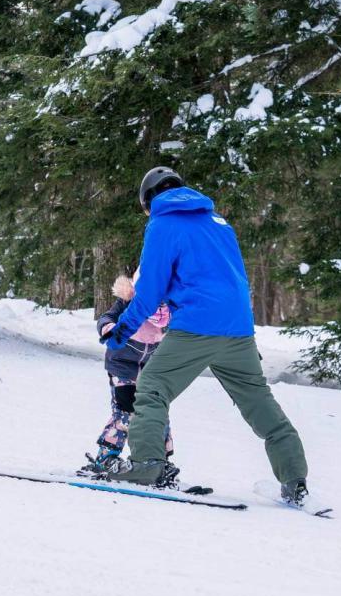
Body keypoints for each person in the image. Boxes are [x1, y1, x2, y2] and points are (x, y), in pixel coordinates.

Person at [99, 167, 311, 504]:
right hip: (238, 328)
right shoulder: (219, 223)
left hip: (198, 325)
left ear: (149, 201)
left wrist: (122, 329)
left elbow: (150, 288)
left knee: (152, 388)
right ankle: (294, 479)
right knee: (258, 402)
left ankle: (147, 464)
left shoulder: (162, 223)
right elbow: (235, 280)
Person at [81, 271, 173, 475]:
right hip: (122, 365)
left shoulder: (169, 308)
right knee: (125, 410)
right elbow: (106, 317)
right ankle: (106, 456)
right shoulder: (129, 301)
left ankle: (159, 461)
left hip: (150, 368)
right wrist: (109, 327)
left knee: (157, 413)